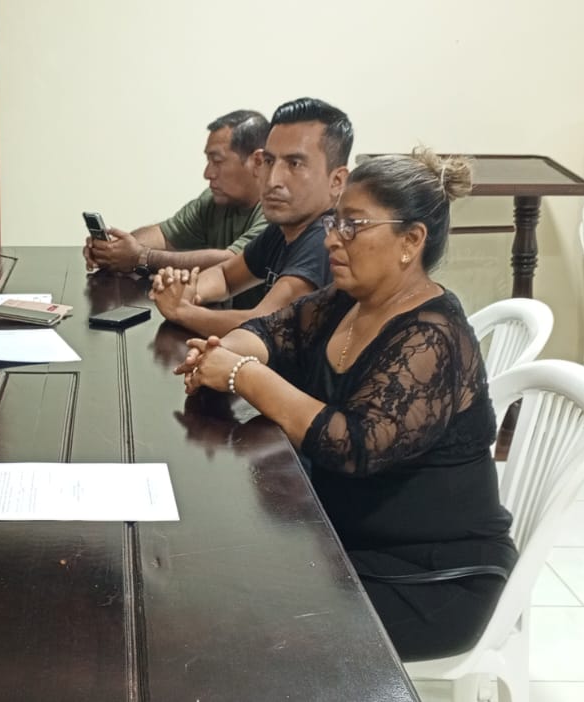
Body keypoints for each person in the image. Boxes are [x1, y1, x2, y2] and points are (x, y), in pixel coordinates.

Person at [173, 148, 515, 662]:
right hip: (346, 543)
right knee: (206, 577)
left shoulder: (433, 338)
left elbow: (353, 445)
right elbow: (272, 331)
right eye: (335, 222)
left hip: (431, 578)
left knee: (233, 629)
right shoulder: (347, 301)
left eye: (353, 225)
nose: (333, 238)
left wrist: (242, 374)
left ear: (411, 241)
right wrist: (222, 352)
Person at [148, 97, 350, 338]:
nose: (272, 180)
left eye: (294, 164)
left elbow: (265, 324)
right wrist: (185, 290)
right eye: (269, 161)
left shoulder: (325, 238)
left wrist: (181, 311)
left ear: (337, 181)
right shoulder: (284, 228)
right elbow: (225, 277)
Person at [83, 109, 270, 280]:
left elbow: (235, 262)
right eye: (208, 161)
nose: (207, 173)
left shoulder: (276, 210)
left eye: (217, 161)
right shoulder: (213, 201)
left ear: (258, 161)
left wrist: (142, 256)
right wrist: (113, 250)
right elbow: (164, 236)